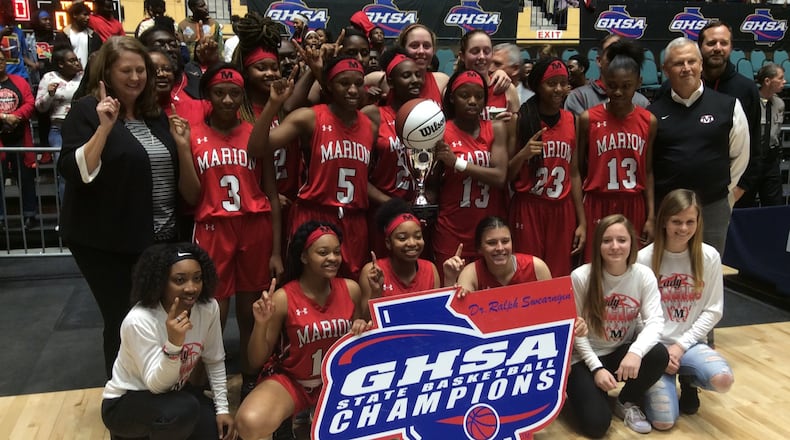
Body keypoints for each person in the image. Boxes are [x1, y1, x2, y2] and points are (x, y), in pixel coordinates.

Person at [58, 36, 197, 377]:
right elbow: (77, 172)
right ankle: (123, 403)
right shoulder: (87, 111)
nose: (135, 78)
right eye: (126, 71)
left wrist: (183, 147)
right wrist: (104, 129)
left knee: (158, 317)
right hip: (106, 243)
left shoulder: (157, 117)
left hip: (158, 239)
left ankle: (159, 386)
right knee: (123, 319)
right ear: (106, 72)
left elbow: (181, 184)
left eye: (141, 70)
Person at [185, 63, 283, 401]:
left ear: (243, 96)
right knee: (211, 312)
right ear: (207, 95)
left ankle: (252, 376)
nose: (227, 99)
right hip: (213, 228)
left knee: (250, 313)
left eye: (234, 93)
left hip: (254, 227)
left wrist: (275, 250)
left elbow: (271, 194)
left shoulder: (255, 134)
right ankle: (200, 385)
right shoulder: (193, 134)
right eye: (219, 92)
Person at [234, 221, 369, 439]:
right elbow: (254, 361)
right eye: (323, 252)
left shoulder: (351, 289)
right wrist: (260, 324)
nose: (333, 258)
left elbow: (362, 341)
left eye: (336, 252)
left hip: (337, 381)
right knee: (249, 423)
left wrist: (361, 327)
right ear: (304, 257)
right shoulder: (283, 297)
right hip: (293, 381)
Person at [251, 55, 378, 279]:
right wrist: (273, 105)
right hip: (315, 212)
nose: (352, 90)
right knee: (305, 288)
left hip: (354, 219)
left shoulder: (370, 127)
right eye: (344, 83)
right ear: (329, 85)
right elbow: (256, 149)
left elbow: (360, 179)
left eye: (358, 83)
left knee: (351, 291)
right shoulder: (309, 117)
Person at [101, 243, 236, 440]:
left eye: (197, 278)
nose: (191, 288)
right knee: (182, 411)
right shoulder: (139, 320)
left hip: (173, 394)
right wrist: (174, 345)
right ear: (161, 282)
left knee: (220, 432)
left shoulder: (208, 308)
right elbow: (156, 385)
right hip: (126, 401)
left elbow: (214, 359)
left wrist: (222, 409)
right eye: (179, 280)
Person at [638, 189, 734, 431]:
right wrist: (658, 351)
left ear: (699, 222)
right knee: (663, 422)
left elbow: (714, 310)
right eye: (676, 222)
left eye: (690, 222)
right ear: (664, 222)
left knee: (723, 380)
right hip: (655, 349)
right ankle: (651, 383)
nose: (683, 229)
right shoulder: (644, 259)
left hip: (689, 345)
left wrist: (680, 347)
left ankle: (689, 381)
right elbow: (637, 315)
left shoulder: (709, 256)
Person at [567, 214, 668, 437]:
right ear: (598, 245)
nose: (615, 246)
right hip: (584, 360)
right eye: (607, 240)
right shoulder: (581, 276)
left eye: (622, 240)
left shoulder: (643, 275)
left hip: (619, 353)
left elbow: (655, 321)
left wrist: (635, 352)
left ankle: (626, 400)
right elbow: (575, 333)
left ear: (631, 242)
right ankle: (587, 394)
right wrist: (596, 369)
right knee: (596, 426)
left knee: (658, 353)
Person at [647, 37, 749, 256]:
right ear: (665, 70)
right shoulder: (652, 113)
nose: (686, 68)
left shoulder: (728, 106)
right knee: (667, 277)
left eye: (691, 61)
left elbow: (740, 155)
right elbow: (649, 166)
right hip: (667, 210)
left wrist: (725, 193)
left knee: (709, 274)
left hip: (712, 207)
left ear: (701, 64)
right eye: (678, 63)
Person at [576, 39, 657, 260]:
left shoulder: (648, 121)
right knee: (595, 268)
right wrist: (581, 219)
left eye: (626, 85)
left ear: (639, 82)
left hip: (633, 203)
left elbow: (648, 171)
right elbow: (577, 170)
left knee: (632, 268)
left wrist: (651, 216)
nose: (619, 92)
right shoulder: (587, 119)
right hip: (597, 202)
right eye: (612, 85)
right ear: (603, 81)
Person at [509, 57, 585, 277]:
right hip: (528, 207)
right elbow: (507, 176)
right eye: (551, 83)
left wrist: (582, 222)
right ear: (537, 85)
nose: (559, 89)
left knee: (560, 276)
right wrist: (522, 155)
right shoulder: (521, 119)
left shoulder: (572, 120)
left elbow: (575, 173)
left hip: (562, 209)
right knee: (529, 274)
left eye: (563, 83)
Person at [432, 70, 508, 274]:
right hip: (452, 227)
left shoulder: (496, 128)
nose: (473, 101)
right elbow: (431, 182)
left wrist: (457, 163)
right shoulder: (441, 131)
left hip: (489, 228)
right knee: (451, 291)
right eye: (465, 95)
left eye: (479, 96)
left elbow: (500, 176)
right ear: (452, 98)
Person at [362, 48, 422, 256]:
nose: (415, 80)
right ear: (391, 81)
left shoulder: (429, 115)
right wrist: (392, 204)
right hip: (380, 211)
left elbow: (434, 173)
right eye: (406, 75)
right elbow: (359, 173)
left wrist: (421, 202)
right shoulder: (374, 115)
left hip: (414, 213)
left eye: (418, 75)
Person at [696, 21, 760, 209]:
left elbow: (755, 144)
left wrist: (740, 189)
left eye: (723, 43)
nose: (717, 48)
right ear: (700, 46)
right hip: (688, 192)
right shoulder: (685, 86)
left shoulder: (746, 89)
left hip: (733, 193)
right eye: (711, 43)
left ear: (731, 47)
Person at [360, 198, 440, 306]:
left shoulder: (431, 270)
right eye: (402, 238)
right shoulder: (372, 271)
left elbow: (437, 313)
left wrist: (451, 279)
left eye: (418, 237)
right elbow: (365, 320)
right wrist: (376, 292)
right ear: (388, 243)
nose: (412, 243)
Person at [35, 48, 83, 200]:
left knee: (83, 170)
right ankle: (65, 216)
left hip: (80, 129)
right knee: (64, 173)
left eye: (77, 59)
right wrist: (49, 95)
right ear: (61, 64)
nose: (77, 63)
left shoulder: (83, 77)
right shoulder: (49, 77)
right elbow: (40, 107)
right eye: (72, 60)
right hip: (59, 129)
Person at [453, 216, 552, 291]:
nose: (500, 248)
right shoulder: (470, 274)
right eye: (491, 243)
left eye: (505, 241)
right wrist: (450, 278)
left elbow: (554, 307)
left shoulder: (537, 267)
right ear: (479, 248)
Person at [735, 63, 785, 207]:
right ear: (767, 81)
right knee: (744, 204)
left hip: (771, 162)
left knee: (774, 205)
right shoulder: (751, 102)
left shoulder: (779, 104)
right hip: (751, 161)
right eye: (780, 78)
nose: (784, 81)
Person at [565, 34, 650, 117]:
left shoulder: (642, 102)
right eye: (612, 53)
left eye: (622, 54)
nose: (618, 59)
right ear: (599, 61)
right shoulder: (579, 97)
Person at [0, 50, 37, 229]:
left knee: (26, 178)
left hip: (20, 137)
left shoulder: (19, 82)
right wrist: (4, 117)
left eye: (1, 59)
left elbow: (30, 103)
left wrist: (16, 116)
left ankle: (30, 215)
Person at [456, 30, 519, 120]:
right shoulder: (453, 88)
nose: (482, 56)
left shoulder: (506, 88)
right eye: (475, 51)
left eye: (486, 51)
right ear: (462, 56)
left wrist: (508, 125)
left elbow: (517, 130)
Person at [57, 2, 102, 69]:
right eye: (85, 15)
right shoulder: (62, 36)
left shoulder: (94, 37)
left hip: (89, 77)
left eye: (88, 15)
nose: (88, 18)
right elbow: (58, 58)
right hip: (70, 77)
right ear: (75, 15)